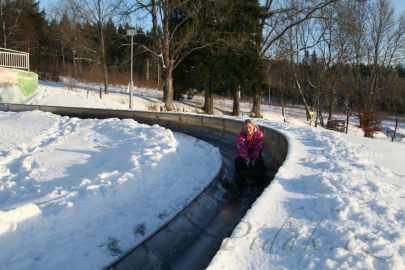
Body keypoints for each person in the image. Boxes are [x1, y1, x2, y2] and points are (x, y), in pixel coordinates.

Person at [235, 119, 266, 187]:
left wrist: (254, 158)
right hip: (243, 155)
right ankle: (241, 184)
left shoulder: (259, 134)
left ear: (253, 127)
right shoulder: (241, 135)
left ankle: (260, 184)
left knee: (260, 164)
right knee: (240, 163)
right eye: (246, 128)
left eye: (250, 127)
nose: (248, 129)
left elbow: (259, 147)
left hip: (255, 154)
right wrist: (247, 159)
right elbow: (241, 147)